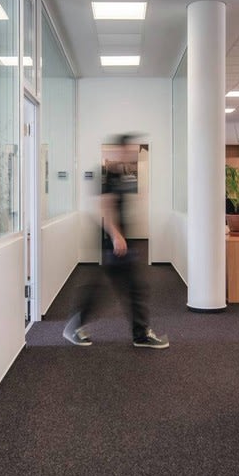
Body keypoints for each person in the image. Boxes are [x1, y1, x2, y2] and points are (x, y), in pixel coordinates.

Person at [63, 134, 169, 349]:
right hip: (115, 244)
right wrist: (115, 235)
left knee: (115, 288)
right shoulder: (108, 175)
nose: (131, 154)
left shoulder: (119, 174)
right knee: (132, 288)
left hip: (118, 243)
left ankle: (77, 325)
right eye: (129, 150)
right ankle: (140, 335)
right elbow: (104, 206)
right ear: (121, 149)